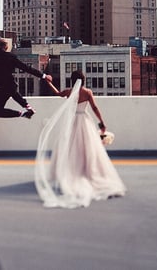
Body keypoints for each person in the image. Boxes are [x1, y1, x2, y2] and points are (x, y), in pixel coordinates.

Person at [34, 69, 126, 208]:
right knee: (89, 148)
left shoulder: (69, 92)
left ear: (72, 80)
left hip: (72, 122)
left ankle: (69, 172)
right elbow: (94, 108)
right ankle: (88, 173)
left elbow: (58, 94)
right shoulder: (87, 92)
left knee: (70, 147)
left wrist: (48, 82)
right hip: (84, 120)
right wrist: (102, 123)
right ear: (83, 80)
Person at [0, 38, 55, 118]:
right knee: (12, 90)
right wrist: (43, 76)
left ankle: (22, 113)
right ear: (6, 48)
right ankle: (26, 106)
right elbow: (27, 68)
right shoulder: (11, 57)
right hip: (9, 86)